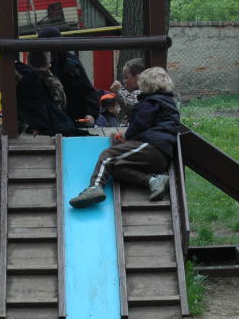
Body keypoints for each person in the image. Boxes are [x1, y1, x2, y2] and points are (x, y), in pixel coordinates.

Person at [69, 67, 181, 208]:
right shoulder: (167, 102)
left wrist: (127, 136)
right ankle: (153, 180)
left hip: (152, 147)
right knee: (116, 168)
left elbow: (139, 123)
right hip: (160, 156)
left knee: (108, 155)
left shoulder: (151, 102)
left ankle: (94, 187)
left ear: (147, 85)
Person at [38, 26, 99, 125]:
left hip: (74, 118)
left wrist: (91, 114)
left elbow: (87, 90)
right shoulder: (39, 63)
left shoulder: (71, 65)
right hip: (49, 119)